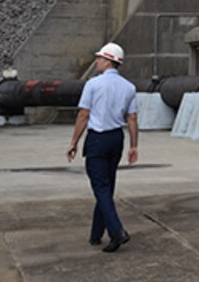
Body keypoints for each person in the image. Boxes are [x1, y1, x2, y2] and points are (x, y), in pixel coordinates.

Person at [66, 42, 139, 253]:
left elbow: (83, 115)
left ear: (108, 61)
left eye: (99, 58)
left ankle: (117, 231)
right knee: (106, 186)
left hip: (98, 139)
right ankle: (96, 234)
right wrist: (134, 145)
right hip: (117, 139)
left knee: (100, 187)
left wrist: (74, 142)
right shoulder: (129, 87)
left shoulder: (93, 84)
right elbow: (132, 118)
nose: (96, 61)